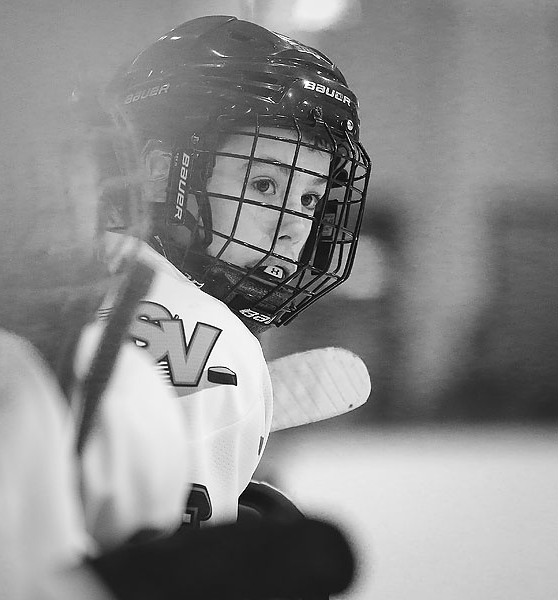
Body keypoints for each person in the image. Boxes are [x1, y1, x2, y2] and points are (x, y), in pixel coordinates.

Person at [96, 15, 373, 529]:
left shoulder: (59, 284)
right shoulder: (211, 340)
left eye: (310, 197)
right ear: (160, 172)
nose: (294, 226)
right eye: (264, 185)